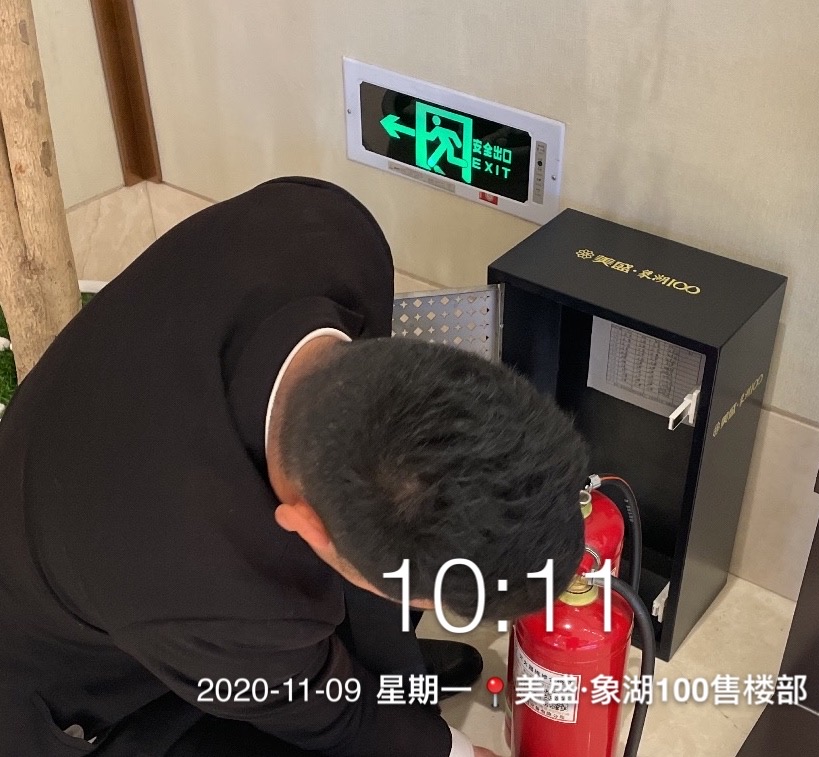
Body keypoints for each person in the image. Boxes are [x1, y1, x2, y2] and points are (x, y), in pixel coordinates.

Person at [0, 177, 589, 756]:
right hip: (76, 685)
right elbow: (332, 717)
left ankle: (385, 680)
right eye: (427, 604)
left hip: (114, 460)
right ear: (304, 527)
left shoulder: (332, 234)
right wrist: (449, 751)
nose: (428, 612)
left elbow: (388, 479)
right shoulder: (211, 596)